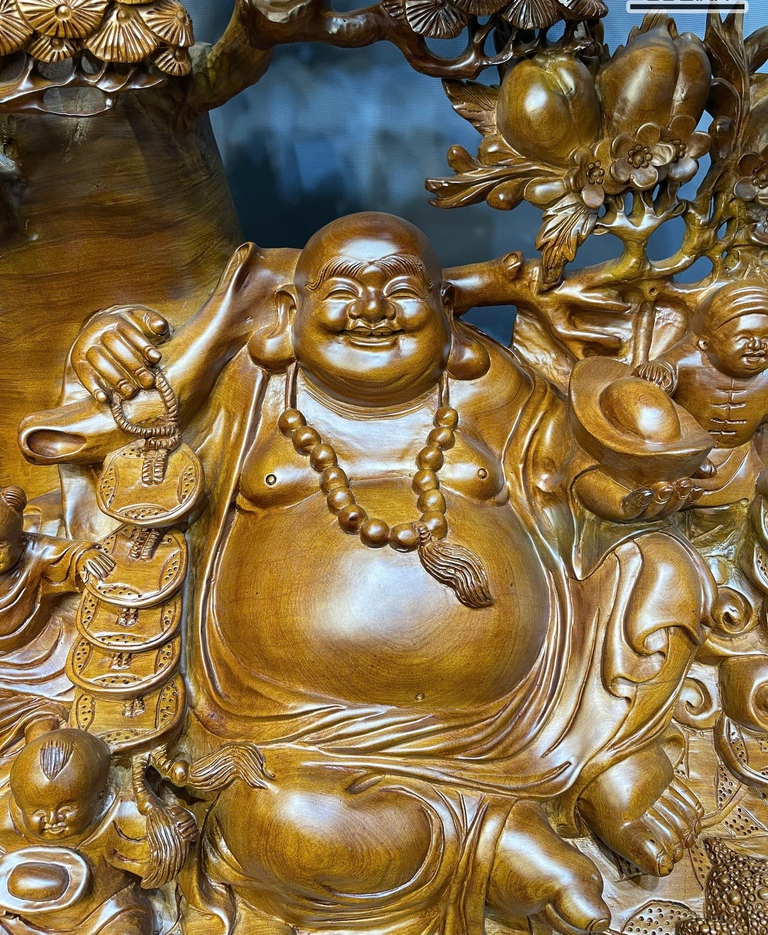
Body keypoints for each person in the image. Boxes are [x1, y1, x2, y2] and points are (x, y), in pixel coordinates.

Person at [20, 213, 717, 935]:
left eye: (402, 289)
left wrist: (634, 479)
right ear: (289, 310)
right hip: (292, 735)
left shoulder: (491, 387)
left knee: (661, 569)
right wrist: (112, 343)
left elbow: (574, 477)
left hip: (525, 717)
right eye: (343, 289)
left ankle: (609, 763)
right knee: (281, 823)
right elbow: (117, 428)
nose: (374, 308)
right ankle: (495, 847)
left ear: (444, 311)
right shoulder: (250, 388)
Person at [0, 728, 189, 935]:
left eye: (66, 809)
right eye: (38, 812)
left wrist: (178, 830)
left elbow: (157, 859)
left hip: (105, 913)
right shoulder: (8, 820)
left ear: (101, 795)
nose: (52, 819)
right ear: (19, 804)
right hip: (25, 918)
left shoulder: (121, 816)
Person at [636, 281, 768, 548]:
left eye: (766, 338)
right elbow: (662, 372)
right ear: (705, 342)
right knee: (675, 511)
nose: (757, 345)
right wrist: (657, 372)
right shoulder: (689, 360)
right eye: (744, 337)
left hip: (740, 463)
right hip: (687, 460)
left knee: (736, 515)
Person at [0, 488, 113, 754]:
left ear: (20, 539)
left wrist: (85, 557)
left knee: (41, 712)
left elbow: (68, 554)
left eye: (0, 547)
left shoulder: (35, 553)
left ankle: (41, 743)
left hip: (39, 663)